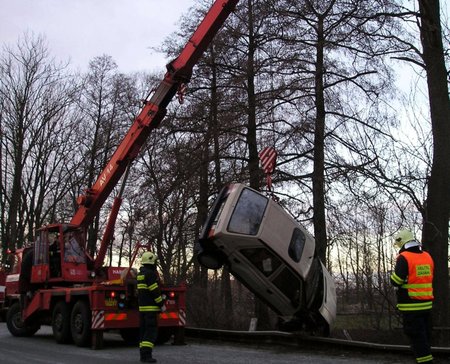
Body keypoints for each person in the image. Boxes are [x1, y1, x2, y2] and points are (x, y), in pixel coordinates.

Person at [390, 229, 434, 364]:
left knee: (416, 337)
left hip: (411, 305)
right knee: (424, 336)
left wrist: (392, 277)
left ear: (402, 242)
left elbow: (396, 281)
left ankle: (425, 362)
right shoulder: (427, 256)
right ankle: (425, 358)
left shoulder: (404, 257)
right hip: (427, 304)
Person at [137, 251, 165, 363]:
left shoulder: (141, 274)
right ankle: (147, 356)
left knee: (143, 332)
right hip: (151, 309)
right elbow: (154, 291)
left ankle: (143, 355)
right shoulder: (150, 274)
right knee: (150, 332)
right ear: (151, 261)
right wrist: (161, 304)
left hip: (143, 309)